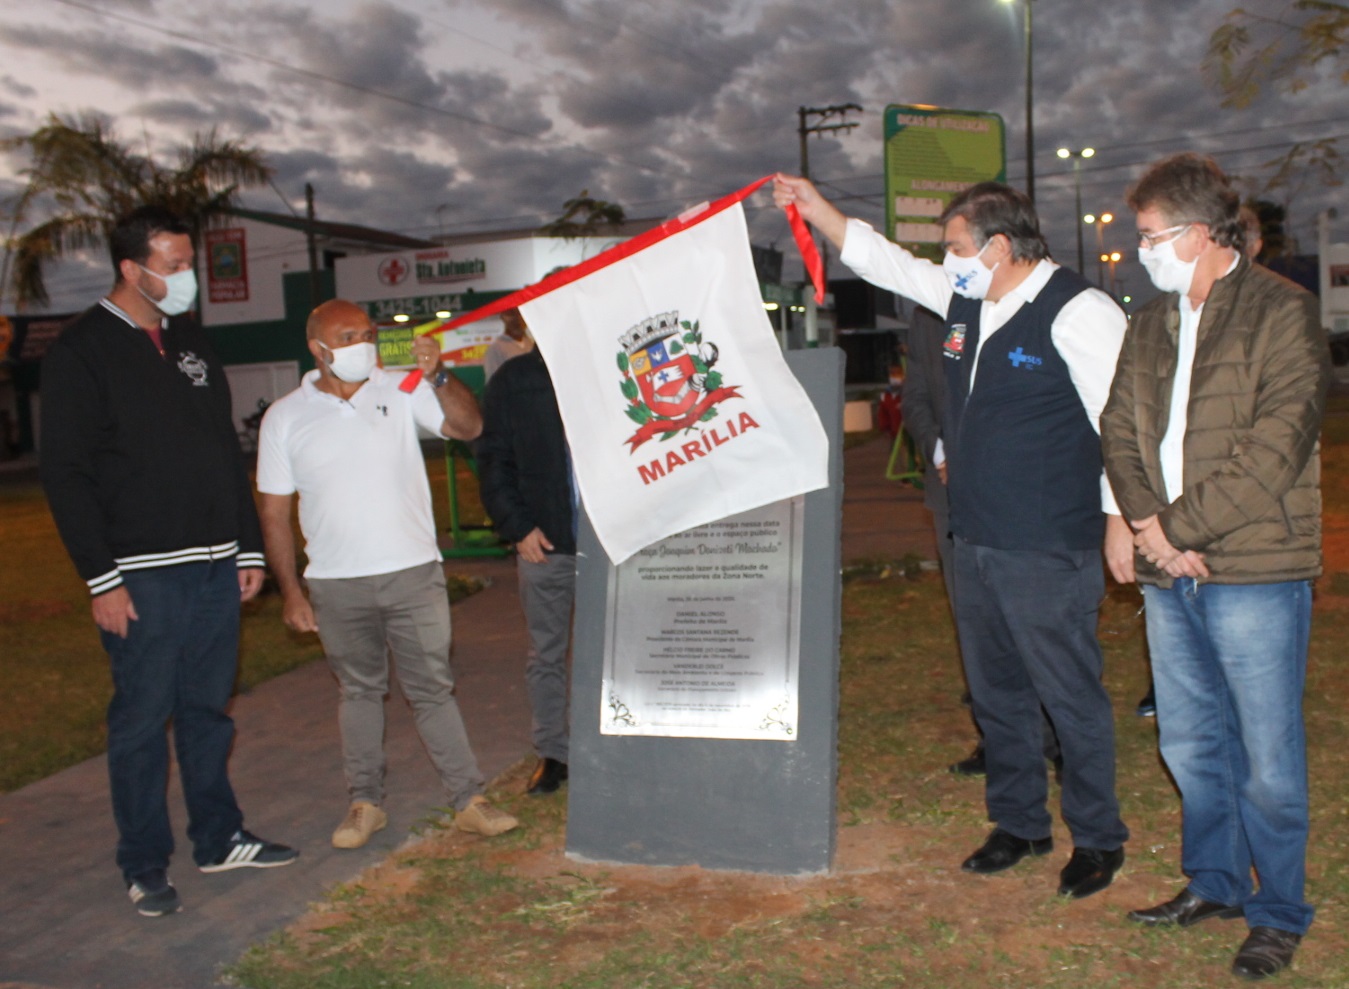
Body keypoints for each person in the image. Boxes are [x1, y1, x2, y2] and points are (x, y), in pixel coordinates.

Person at [775, 174, 1131, 899]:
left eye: (957, 247)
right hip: (973, 535)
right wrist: (819, 213)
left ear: (998, 246)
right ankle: (1018, 822)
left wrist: (1122, 520)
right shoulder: (969, 301)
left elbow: (1121, 426)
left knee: (1067, 694)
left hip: (1046, 543)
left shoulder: (1078, 310)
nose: (948, 261)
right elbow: (888, 264)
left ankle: (1096, 837)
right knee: (997, 691)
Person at [1101, 153, 1328, 980]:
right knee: (1193, 743)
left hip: (1252, 566)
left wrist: (1174, 528)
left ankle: (1277, 911)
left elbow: (1276, 444)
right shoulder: (1151, 320)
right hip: (1172, 568)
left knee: (1265, 755)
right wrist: (1145, 524)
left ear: (1198, 234)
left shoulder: (1281, 312)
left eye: (1150, 236)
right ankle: (1217, 881)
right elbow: (1117, 428)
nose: (1141, 251)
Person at [39, 205, 297, 918]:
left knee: (208, 710)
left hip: (216, 566)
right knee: (142, 718)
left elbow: (221, 449)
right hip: (142, 575)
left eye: (188, 262)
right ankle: (144, 862)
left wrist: (246, 547)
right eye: (175, 265)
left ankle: (219, 837)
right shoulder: (83, 351)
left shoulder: (188, 342)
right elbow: (66, 474)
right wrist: (103, 578)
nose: (188, 278)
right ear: (132, 268)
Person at [256, 300, 518, 849]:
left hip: (412, 573)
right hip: (335, 581)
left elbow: (469, 426)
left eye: (367, 334)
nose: (363, 344)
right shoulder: (285, 416)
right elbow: (273, 512)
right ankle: (365, 803)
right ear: (318, 348)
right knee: (358, 692)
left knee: (432, 690)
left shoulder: (401, 389)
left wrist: (438, 375)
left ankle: (468, 799)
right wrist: (291, 591)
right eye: (348, 335)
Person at [476, 326, 576, 797]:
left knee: (613, 650)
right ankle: (553, 754)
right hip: (545, 543)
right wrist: (517, 527)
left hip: (611, 543)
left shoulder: (609, 368)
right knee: (546, 654)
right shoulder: (513, 381)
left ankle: (612, 742)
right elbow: (494, 460)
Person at [482, 307, 533, 382]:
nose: (516, 319)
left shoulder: (531, 344)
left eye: (519, 314)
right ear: (502, 317)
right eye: (511, 314)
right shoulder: (496, 348)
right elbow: (492, 383)